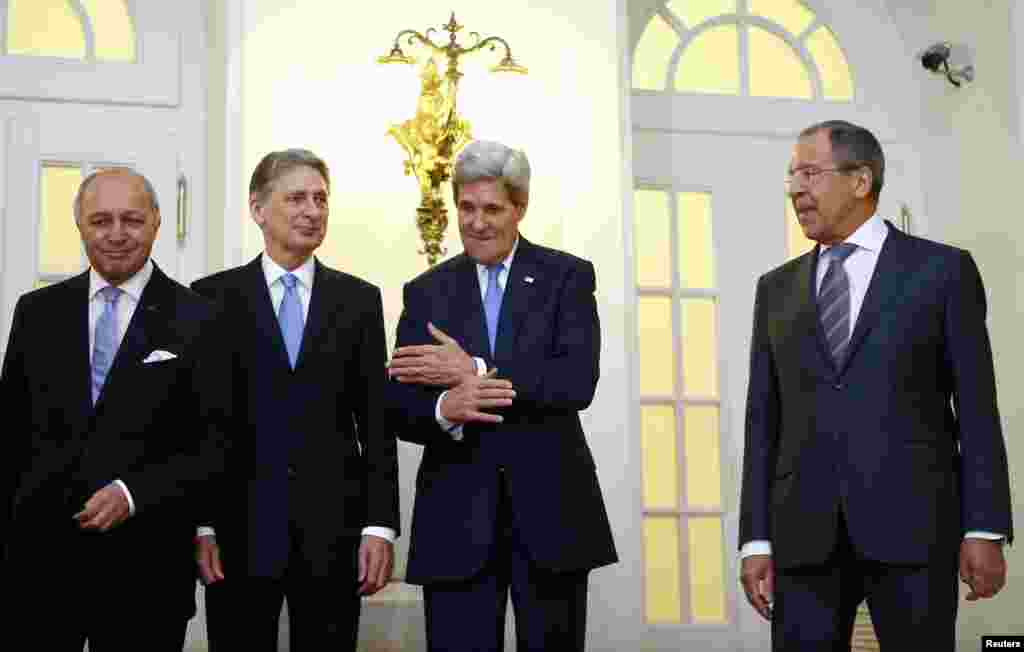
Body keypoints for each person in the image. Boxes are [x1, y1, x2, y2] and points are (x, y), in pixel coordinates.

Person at [738, 120, 1013, 650]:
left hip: (914, 529)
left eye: (810, 173)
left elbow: (978, 407)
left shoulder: (941, 272)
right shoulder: (775, 289)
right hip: (804, 537)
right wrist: (756, 538)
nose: (796, 188)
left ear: (861, 181)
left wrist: (983, 528)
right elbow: (763, 421)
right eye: (792, 176)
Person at [387, 139, 617, 652]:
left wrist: (474, 370)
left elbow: (576, 381)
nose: (476, 222)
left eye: (492, 209)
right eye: (466, 208)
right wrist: (447, 407)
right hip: (455, 518)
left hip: (551, 514)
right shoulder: (426, 292)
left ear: (520, 209)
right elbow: (401, 408)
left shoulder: (567, 278)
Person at [0, 168, 230, 651]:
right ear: (79, 225)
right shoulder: (36, 313)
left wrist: (134, 492)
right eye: (101, 220)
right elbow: (11, 437)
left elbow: (217, 444)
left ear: (157, 223)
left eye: (132, 219)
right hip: (38, 570)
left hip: (145, 571)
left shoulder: (201, 318)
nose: (117, 233)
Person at [191, 148, 399, 651]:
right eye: (297, 198)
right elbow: (199, 425)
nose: (312, 210)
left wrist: (380, 526)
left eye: (321, 199)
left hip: (333, 533)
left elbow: (375, 421)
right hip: (238, 532)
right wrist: (201, 524)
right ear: (258, 209)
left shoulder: (359, 301)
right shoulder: (210, 298)